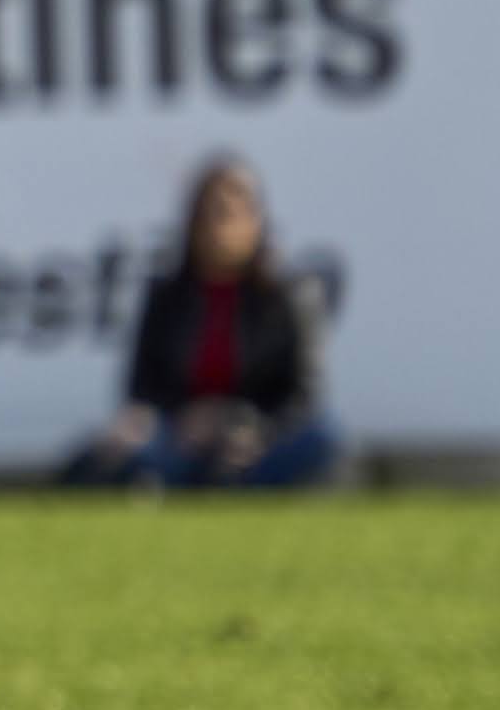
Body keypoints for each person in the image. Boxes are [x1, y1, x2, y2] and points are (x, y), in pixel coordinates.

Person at [65, 154, 344, 492]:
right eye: (211, 213)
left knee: (322, 436)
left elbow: (302, 396)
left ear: (259, 221)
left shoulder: (290, 297)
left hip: (255, 439)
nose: (221, 227)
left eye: (234, 213)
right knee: (129, 448)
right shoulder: (166, 297)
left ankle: (223, 482)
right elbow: (140, 388)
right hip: (181, 435)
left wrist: (241, 422)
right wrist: (187, 419)